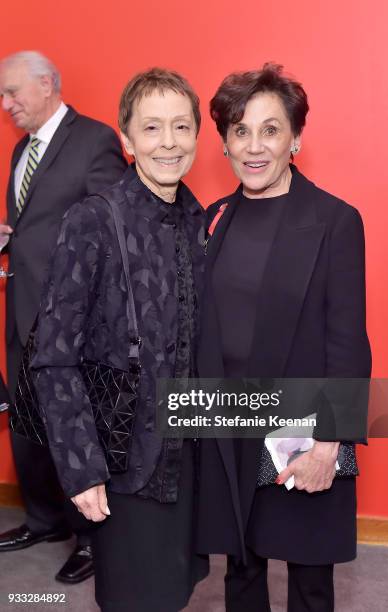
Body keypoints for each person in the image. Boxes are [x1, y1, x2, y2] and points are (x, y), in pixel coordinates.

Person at [30, 68, 208, 612]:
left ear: (198, 135)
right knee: (135, 597)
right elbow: (51, 356)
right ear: (127, 141)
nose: (169, 142)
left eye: (181, 126)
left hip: (189, 455)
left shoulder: (200, 219)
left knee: (175, 592)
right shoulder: (93, 220)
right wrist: (81, 467)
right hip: (122, 463)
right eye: (152, 128)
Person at [196, 63, 372, 611]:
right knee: (240, 570)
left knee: (309, 577)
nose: (254, 146)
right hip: (229, 420)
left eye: (270, 130)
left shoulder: (335, 221)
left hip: (300, 423)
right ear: (224, 141)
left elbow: (347, 341)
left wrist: (329, 442)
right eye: (240, 130)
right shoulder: (213, 219)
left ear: (295, 138)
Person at [0, 51, 127, 583]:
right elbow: (36, 224)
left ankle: (94, 539)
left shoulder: (94, 140)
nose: (6, 105)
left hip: (68, 317)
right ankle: (45, 518)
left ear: (46, 83)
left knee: (75, 426)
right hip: (19, 307)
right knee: (28, 425)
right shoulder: (19, 150)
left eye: (12, 93)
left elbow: (113, 222)